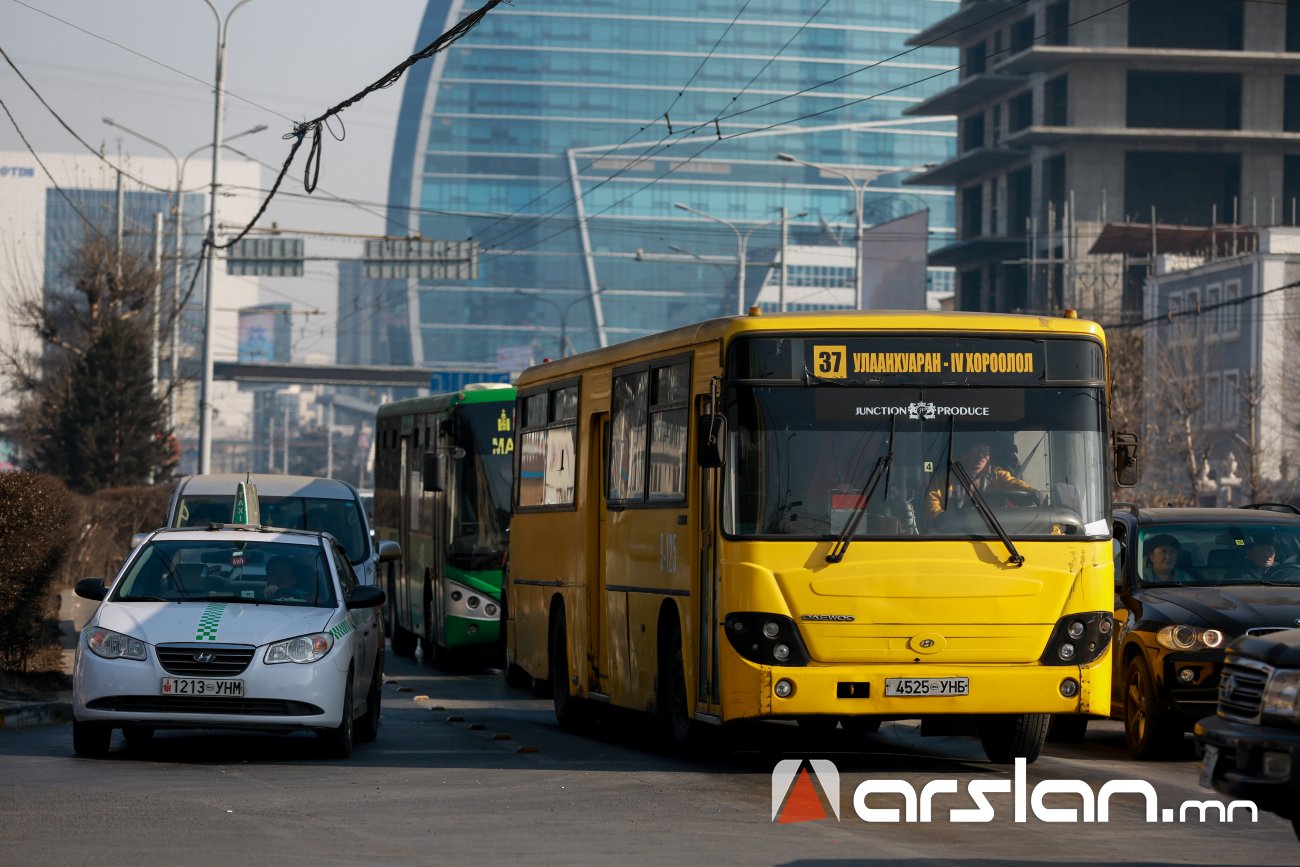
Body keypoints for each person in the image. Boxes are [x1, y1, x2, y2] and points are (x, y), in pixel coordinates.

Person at [927, 436, 1038, 522]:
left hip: (994, 530)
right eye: (976, 450)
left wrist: (1032, 492)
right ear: (965, 454)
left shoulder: (997, 475)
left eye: (985, 452)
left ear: (989, 457)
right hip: (955, 533)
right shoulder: (945, 478)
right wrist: (943, 520)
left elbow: (1013, 483)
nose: (981, 456)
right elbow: (932, 502)